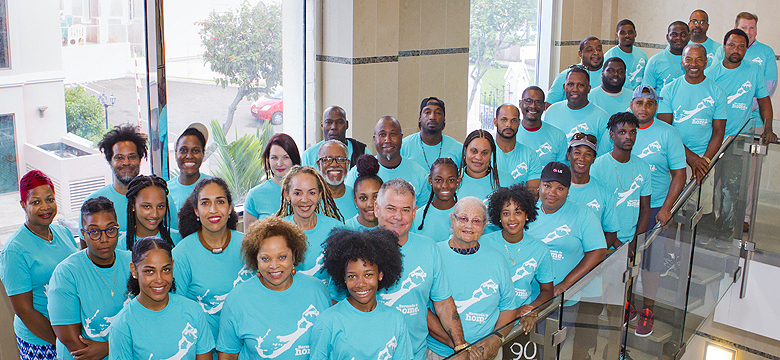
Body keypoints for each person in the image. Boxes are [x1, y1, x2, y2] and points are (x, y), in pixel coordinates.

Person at [374, 179, 469, 360]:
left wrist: (460, 345)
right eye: (391, 208)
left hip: (416, 355)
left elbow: (443, 303)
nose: (398, 216)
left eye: (405, 210)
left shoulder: (428, 248)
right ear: (376, 209)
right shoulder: (358, 250)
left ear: (414, 212)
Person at [216, 217, 331, 359]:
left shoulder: (318, 290)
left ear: (294, 256)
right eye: (265, 259)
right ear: (255, 259)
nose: (274, 265)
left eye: (282, 257)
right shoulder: (237, 300)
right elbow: (228, 355)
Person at [525, 163, 606, 359]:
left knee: (550, 351)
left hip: (560, 300)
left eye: (560, 188)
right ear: (539, 185)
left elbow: (598, 251)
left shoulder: (583, 214)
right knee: (524, 350)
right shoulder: (525, 211)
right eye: (547, 186)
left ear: (568, 191)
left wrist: (566, 283)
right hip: (525, 297)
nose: (552, 193)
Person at [0, 170, 78, 360]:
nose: (45, 207)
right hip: (42, 340)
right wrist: (63, 342)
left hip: (72, 331)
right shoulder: (14, 251)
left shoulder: (63, 233)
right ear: (23, 205)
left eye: (50, 199)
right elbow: (25, 311)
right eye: (36, 202)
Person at [629, 85, 687, 338]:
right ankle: (628, 303)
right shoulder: (622, 129)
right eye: (639, 102)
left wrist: (666, 207)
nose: (643, 108)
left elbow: (679, 174)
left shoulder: (668, 133)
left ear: (656, 106)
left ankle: (648, 309)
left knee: (651, 262)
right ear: (631, 104)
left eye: (649, 103)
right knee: (626, 257)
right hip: (627, 207)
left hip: (655, 207)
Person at [427, 197, 515, 359]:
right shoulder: (433, 255)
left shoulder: (497, 260)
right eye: (463, 219)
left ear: (484, 225)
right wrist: (459, 345)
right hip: (442, 353)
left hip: (485, 353)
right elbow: (423, 311)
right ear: (452, 220)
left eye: (476, 221)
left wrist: (497, 338)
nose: (469, 225)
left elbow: (508, 307)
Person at [173, 177, 252, 357]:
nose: (213, 209)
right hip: (203, 352)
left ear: (230, 207)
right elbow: (177, 312)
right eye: (205, 203)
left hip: (247, 349)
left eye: (220, 202)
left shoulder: (249, 247)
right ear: (196, 210)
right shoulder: (181, 255)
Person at [47, 197, 132, 360]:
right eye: (94, 232)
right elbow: (73, 343)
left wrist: (107, 347)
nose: (104, 239)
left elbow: (146, 323)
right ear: (83, 234)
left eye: (110, 229)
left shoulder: (132, 263)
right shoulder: (66, 274)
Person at [311, 228, 411, 359]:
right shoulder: (328, 322)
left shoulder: (396, 320)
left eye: (368, 275)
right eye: (352, 276)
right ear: (344, 278)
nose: (361, 283)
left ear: (380, 274)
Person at [108, 237, 214, 360]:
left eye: (166, 270)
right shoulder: (123, 325)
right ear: (134, 270)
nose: (159, 279)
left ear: (172, 266)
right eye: (149, 271)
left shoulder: (193, 311)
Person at [483, 184, 554, 334]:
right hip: (488, 322)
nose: (512, 219)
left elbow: (547, 291)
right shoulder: (484, 243)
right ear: (499, 217)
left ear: (527, 215)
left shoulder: (540, 249)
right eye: (506, 213)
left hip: (521, 324)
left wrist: (532, 310)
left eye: (518, 212)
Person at [657, 43, 727, 183]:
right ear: (682, 61)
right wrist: (691, 158)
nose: (693, 64)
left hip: (704, 159)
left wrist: (704, 162)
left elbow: (719, 132)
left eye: (699, 59)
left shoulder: (718, 92)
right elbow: (665, 130)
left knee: (702, 198)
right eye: (688, 59)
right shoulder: (668, 90)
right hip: (672, 157)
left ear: (706, 62)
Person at [591, 113, 652, 253]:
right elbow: (595, 212)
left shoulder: (643, 167)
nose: (628, 137)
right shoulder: (598, 167)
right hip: (603, 243)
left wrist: (635, 243)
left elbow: (645, 209)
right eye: (622, 132)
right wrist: (619, 246)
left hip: (631, 243)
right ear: (612, 135)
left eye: (632, 132)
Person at [344, 116, 430, 207]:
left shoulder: (420, 175)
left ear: (401, 138)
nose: (388, 140)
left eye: (393, 134)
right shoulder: (358, 172)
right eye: (382, 135)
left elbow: (422, 213)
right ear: (374, 139)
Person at [277, 166, 343, 284]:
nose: (304, 199)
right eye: (297, 193)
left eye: (311, 193)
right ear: (287, 195)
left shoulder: (337, 230)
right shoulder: (277, 232)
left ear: (319, 195)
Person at [706, 29, 774, 138]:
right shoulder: (710, 73)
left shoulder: (754, 70)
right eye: (731, 45)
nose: (736, 50)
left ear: (747, 48)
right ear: (724, 46)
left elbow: (764, 101)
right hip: (712, 136)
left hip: (741, 136)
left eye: (741, 46)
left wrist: (768, 129)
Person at [85, 124, 148, 232]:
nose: (126, 162)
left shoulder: (159, 199)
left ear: (140, 159)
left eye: (132, 157)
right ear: (110, 161)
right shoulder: (93, 202)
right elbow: (86, 242)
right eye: (119, 158)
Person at [566, 133, 621, 249]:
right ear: (568, 155)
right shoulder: (555, 190)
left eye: (587, 154)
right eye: (577, 153)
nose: (581, 158)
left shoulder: (605, 193)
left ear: (594, 159)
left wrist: (595, 255)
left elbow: (611, 233)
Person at [543, 66, 611, 154]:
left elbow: (603, 155)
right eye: (570, 84)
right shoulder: (552, 111)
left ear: (588, 89)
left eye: (580, 85)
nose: (575, 89)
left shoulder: (602, 118)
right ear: (564, 87)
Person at [244, 133, 302, 230]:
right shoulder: (255, 195)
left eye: (285, 157)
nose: (280, 163)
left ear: (294, 159)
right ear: (268, 160)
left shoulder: (309, 191)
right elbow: (248, 237)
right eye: (274, 157)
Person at [121, 175, 181, 251]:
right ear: (133, 205)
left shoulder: (179, 240)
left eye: (160, 206)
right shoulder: (119, 246)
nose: (154, 214)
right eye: (147, 206)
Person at [400, 97, 463, 169]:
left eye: (438, 113)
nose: (432, 117)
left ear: (444, 120)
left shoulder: (458, 149)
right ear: (419, 119)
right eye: (427, 112)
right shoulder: (403, 147)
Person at [168, 123, 210, 227]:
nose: (189, 156)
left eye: (195, 151)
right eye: (183, 150)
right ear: (176, 154)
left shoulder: (214, 187)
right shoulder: (165, 190)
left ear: (203, 154)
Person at [301, 106, 370, 168]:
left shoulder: (362, 152)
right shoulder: (308, 156)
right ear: (322, 125)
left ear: (347, 125)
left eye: (339, 122)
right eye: (328, 122)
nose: (334, 127)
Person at [456, 130, 516, 203]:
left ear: (491, 154)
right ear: (465, 150)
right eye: (474, 151)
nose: (478, 157)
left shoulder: (507, 181)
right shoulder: (451, 180)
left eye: (484, 153)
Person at [515, 86, 568, 166]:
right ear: (520, 103)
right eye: (528, 101)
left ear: (544, 106)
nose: (533, 106)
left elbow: (562, 171)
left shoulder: (558, 136)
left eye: (538, 102)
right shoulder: (510, 134)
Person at [492, 104, 542, 188]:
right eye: (504, 120)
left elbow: (532, 192)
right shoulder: (484, 153)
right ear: (495, 122)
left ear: (519, 122)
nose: (509, 124)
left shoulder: (531, 156)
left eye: (513, 120)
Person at [412, 158, 461, 243]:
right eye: (438, 180)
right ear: (430, 180)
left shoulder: (466, 216)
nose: (445, 185)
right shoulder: (417, 218)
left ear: (458, 181)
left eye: (451, 180)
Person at [546, 36, 604, 107]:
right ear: (580, 54)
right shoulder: (566, 75)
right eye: (590, 50)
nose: (596, 53)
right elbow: (549, 106)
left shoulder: (609, 76)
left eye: (599, 49)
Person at [642, 21, 690, 94]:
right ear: (667, 37)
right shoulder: (655, 61)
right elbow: (646, 91)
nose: (678, 38)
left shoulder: (695, 62)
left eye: (683, 34)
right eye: (674, 35)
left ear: (689, 36)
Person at [315, 140, 358, 219]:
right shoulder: (311, 199)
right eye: (327, 159)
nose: (334, 164)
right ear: (319, 165)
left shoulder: (358, 197)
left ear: (347, 164)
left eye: (340, 159)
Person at [604, 19, 648, 91]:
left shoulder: (642, 55)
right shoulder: (609, 57)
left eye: (630, 32)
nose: (627, 35)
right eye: (622, 33)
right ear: (617, 35)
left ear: (635, 34)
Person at [344, 154, 383, 231]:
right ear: (355, 201)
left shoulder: (391, 227)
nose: (370, 204)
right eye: (363, 198)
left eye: (375, 197)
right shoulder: (345, 229)